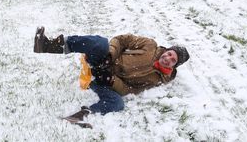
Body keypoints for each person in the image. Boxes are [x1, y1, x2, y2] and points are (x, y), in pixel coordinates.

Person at [33, 27, 190, 125]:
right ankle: (49, 45)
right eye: (170, 53)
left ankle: (82, 115)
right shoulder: (150, 45)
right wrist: (110, 55)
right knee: (101, 42)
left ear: (174, 66)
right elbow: (121, 40)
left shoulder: (158, 79)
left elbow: (131, 90)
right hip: (103, 61)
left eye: (173, 60)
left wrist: (111, 80)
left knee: (117, 103)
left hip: (104, 82)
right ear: (167, 50)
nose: (168, 58)